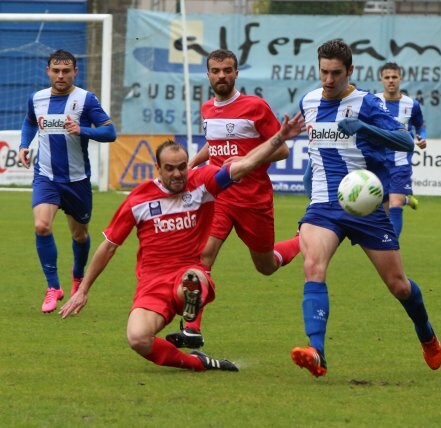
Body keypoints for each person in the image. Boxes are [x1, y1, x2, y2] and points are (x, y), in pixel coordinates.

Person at [58, 113, 305, 373]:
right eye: (170, 168)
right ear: (157, 168)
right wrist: (83, 289)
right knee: (138, 339)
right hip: (151, 285)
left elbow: (244, 166)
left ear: (189, 164)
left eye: (182, 167)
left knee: (193, 280)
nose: (178, 174)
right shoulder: (138, 200)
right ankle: (197, 363)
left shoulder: (203, 184)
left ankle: (191, 305)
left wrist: (279, 137)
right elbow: (108, 246)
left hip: (188, 273)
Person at [291, 40, 441, 378]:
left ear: (350, 72)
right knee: (313, 265)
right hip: (324, 206)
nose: (328, 80)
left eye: (336, 73)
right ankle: (317, 351)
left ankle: (426, 333)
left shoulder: (368, 103)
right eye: (324, 72)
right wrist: (310, 199)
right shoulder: (308, 102)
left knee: (399, 286)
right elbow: (315, 157)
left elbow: (405, 143)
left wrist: (363, 128)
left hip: (366, 208)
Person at [166, 49, 300, 348]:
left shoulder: (255, 107)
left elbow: (281, 149)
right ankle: (192, 329)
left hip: (254, 200)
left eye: (227, 70)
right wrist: (191, 164)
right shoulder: (207, 109)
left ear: (236, 73)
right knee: (202, 256)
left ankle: (303, 240)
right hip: (218, 196)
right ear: (209, 74)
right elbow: (213, 146)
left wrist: (246, 158)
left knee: (265, 266)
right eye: (216, 70)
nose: (222, 75)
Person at [18, 49, 117, 314]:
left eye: (66, 71)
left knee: (80, 234)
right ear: (48, 71)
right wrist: (24, 145)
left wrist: (82, 129)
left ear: (75, 71)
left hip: (77, 181)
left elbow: (110, 132)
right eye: (56, 70)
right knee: (41, 226)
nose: (60, 75)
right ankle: (53, 287)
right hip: (46, 177)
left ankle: (77, 277)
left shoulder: (86, 99)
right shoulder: (36, 99)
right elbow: (30, 122)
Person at [376, 62, 427, 238]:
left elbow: (420, 126)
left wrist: (422, 137)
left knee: (394, 203)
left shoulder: (412, 104)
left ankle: (391, 246)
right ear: (381, 79)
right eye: (387, 77)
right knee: (384, 207)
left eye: (394, 77)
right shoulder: (373, 102)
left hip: (401, 162)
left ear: (400, 79)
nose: (391, 81)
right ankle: (406, 199)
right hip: (378, 162)